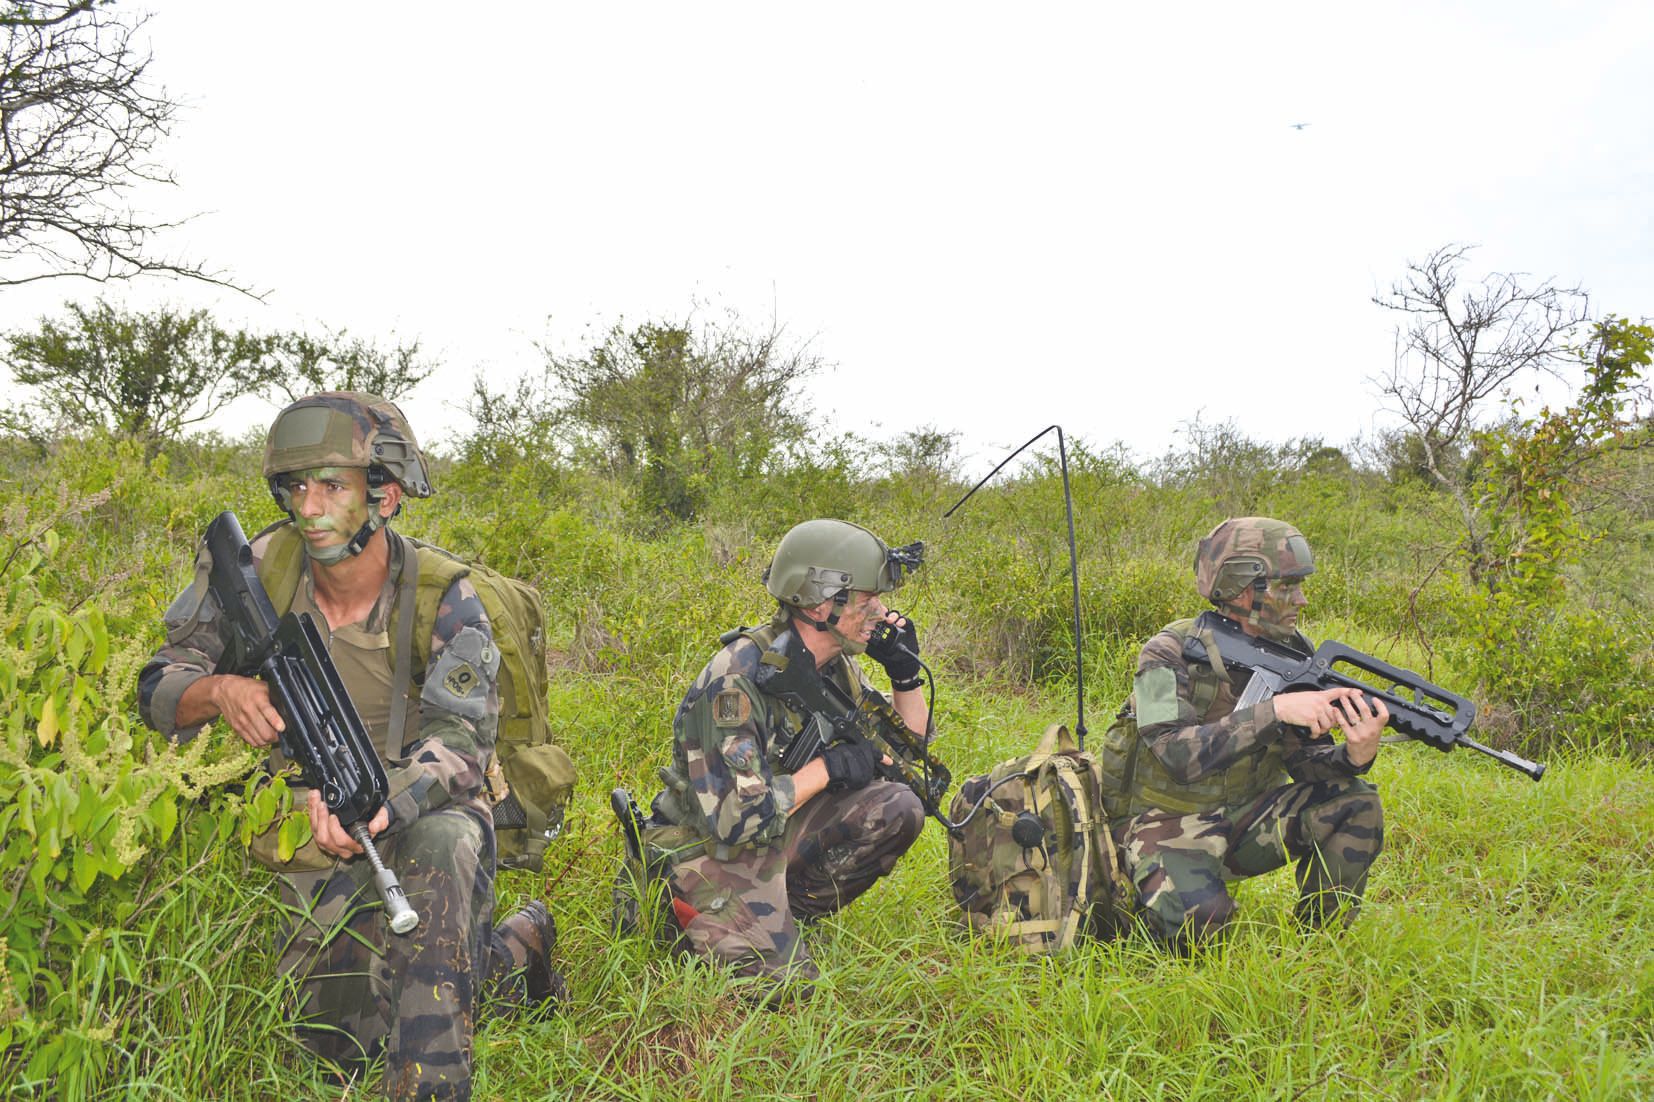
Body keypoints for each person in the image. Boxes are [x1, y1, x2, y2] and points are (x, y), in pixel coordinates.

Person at [138, 392, 560, 1101]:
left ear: (385, 497)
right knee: (335, 1044)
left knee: (447, 842)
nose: (309, 507)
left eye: (333, 486)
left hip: (411, 809)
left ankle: (430, 1085)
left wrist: (384, 802)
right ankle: (512, 951)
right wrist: (219, 693)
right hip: (291, 820)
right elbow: (155, 682)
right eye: (296, 487)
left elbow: (461, 740)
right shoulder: (260, 568)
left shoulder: (441, 595)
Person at [623, 519, 931, 997]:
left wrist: (906, 675)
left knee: (898, 807)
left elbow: (909, 755)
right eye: (869, 601)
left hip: (771, 831)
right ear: (822, 602)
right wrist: (826, 769)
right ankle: (688, 915)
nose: (881, 612)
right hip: (708, 846)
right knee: (788, 992)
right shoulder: (737, 680)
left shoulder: (835, 667)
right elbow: (732, 821)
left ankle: (782, 913)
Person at [1099, 516, 1389, 951]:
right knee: (1200, 923)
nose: (1301, 599)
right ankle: (1133, 889)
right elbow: (1174, 755)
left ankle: (1318, 949)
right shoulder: (1166, 652)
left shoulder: (1294, 654)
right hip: (1162, 821)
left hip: (1242, 819)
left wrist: (1353, 755)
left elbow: (1306, 764)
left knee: (1358, 803)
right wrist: (1273, 711)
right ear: (1239, 587)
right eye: (1286, 586)